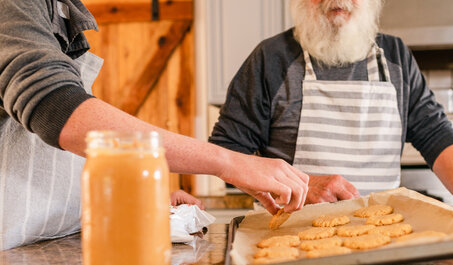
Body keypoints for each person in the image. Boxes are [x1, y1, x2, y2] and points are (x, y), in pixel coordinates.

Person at [0, 0, 309, 250]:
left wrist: (133, 200)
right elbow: (55, 107)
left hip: (49, 253)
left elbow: (46, 162)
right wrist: (227, 161)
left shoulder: (58, 9)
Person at [209, 0, 453, 220]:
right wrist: (295, 186)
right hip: (291, 246)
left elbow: (434, 131)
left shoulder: (395, 56)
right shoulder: (271, 58)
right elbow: (227, 152)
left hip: (382, 243)